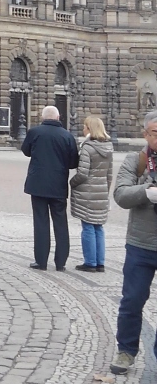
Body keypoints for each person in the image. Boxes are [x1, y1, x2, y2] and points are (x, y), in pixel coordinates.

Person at [110, 111, 157, 373]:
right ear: (145, 135)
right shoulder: (136, 161)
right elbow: (120, 194)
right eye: (155, 133)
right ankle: (126, 351)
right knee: (132, 301)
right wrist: (146, 192)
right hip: (141, 243)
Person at [22, 105, 79, 270]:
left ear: (43, 118)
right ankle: (60, 262)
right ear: (59, 117)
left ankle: (41, 260)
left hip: (38, 184)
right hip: (58, 185)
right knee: (60, 223)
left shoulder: (35, 132)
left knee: (41, 222)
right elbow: (73, 163)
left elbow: (26, 151)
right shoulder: (67, 136)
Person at [70, 115, 113, 272]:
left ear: (90, 129)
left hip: (86, 193)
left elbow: (82, 173)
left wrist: (72, 183)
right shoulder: (108, 147)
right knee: (98, 227)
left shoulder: (87, 147)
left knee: (87, 226)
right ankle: (100, 262)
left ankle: (90, 262)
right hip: (101, 191)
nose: (83, 129)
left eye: (85, 126)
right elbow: (109, 175)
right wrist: (104, 190)